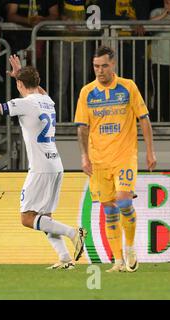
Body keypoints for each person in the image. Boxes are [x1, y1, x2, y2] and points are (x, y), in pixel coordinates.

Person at [0, 55, 87, 270]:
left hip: (40, 168)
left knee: (27, 218)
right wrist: (19, 73)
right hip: (56, 165)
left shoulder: (24, 104)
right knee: (45, 217)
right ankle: (65, 258)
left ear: (20, 84)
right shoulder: (47, 100)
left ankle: (73, 233)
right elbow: (38, 90)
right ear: (37, 83)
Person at [75, 46, 157, 272]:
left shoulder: (128, 87)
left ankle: (130, 247)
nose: (99, 71)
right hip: (98, 160)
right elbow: (82, 127)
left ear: (113, 65)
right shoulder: (87, 92)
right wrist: (84, 156)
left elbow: (144, 120)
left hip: (124, 156)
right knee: (109, 209)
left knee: (123, 201)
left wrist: (150, 151)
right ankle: (118, 261)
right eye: (96, 66)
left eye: (104, 66)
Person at [150, 0, 170, 122]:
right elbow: (149, 25)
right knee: (160, 92)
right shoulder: (156, 12)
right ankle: (157, 121)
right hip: (160, 60)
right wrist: (165, 13)